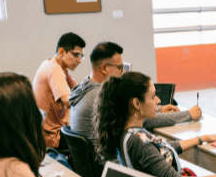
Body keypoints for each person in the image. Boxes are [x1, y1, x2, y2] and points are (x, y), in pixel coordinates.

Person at [69, 41, 202, 143]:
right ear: (104, 68)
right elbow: (141, 120)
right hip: (110, 165)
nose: (123, 72)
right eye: (120, 68)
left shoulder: (84, 87)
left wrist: (159, 109)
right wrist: (188, 115)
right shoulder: (101, 96)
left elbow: (133, 112)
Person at [33, 32, 86, 153]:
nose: (79, 60)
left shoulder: (56, 65)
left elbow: (77, 89)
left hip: (48, 132)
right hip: (51, 137)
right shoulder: (54, 70)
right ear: (62, 51)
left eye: (81, 56)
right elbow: (69, 101)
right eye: (76, 55)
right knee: (93, 140)